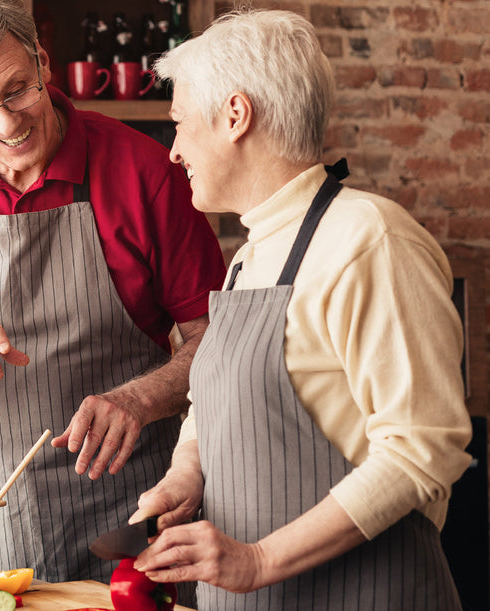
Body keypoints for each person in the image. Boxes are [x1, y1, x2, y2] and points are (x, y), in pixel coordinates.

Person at [0, 0, 226, 583]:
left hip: (128, 513)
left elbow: (215, 343)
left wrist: (141, 399)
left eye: (16, 92)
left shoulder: (145, 171)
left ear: (42, 63)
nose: (7, 124)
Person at [129, 9, 472, 609]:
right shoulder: (250, 255)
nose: (174, 151)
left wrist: (258, 560)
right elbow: (213, 405)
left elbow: (422, 450)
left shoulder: (369, 241)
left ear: (235, 115)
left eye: (179, 124)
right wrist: (188, 473)